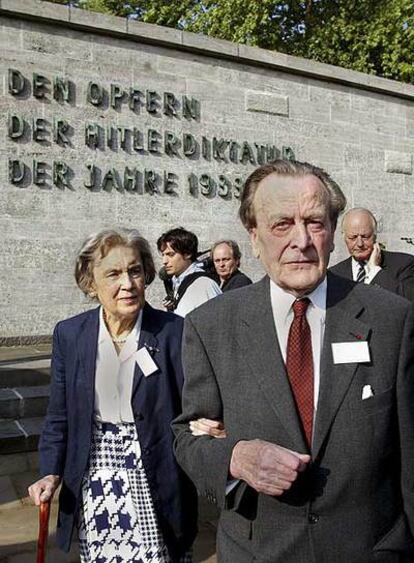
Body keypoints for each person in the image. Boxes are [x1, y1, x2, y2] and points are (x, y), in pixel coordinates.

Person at [173, 160, 414, 563]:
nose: (301, 240)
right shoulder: (210, 325)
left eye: (315, 222)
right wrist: (234, 458)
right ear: (253, 237)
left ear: (333, 234)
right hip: (257, 551)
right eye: (282, 224)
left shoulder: (391, 318)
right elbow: (188, 436)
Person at [28, 228, 197, 563]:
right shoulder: (70, 335)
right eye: (114, 274)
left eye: (135, 271)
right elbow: (59, 416)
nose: (128, 284)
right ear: (91, 283)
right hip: (96, 478)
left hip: (155, 473)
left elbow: (192, 408)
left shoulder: (172, 331)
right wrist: (49, 471)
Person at [330, 207, 414, 300]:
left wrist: (375, 271)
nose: (359, 244)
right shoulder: (334, 273)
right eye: (352, 237)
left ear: (375, 236)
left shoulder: (404, 264)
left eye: (365, 237)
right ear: (344, 237)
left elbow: (408, 303)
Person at [157, 227, 221, 317]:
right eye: (163, 255)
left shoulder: (204, 285)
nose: (164, 261)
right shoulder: (177, 282)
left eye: (171, 255)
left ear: (187, 253)